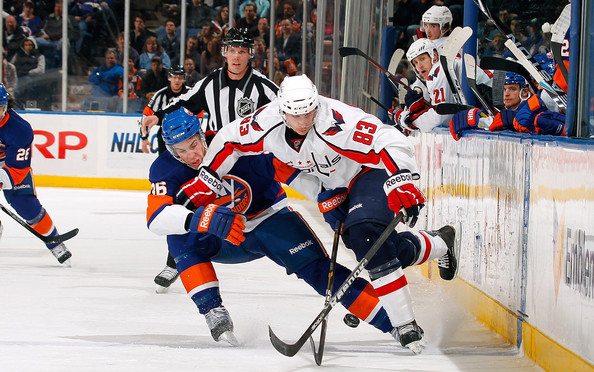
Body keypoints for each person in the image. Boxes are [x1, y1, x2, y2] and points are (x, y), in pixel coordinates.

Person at [181, 75, 459, 352]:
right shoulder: (265, 123)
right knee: (377, 247)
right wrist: (209, 175)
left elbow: (388, 139)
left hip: (368, 173)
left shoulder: (337, 120)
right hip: (334, 187)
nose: (303, 121)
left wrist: (401, 179)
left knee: (367, 237)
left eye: (309, 112)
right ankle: (439, 242)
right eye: (296, 115)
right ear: (282, 110)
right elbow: (229, 140)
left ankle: (405, 324)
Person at [146, 106, 402, 346]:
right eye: (180, 151)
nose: (192, 155)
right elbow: (156, 218)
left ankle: (395, 322)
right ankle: (212, 309)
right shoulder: (164, 169)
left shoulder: (229, 144)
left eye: (193, 145)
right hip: (223, 238)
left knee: (319, 271)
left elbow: (283, 169)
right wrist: (201, 219)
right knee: (178, 236)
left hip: (268, 219)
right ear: (170, 150)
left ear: (202, 134)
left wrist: (322, 196)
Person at [141, 28, 278, 290]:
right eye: (232, 51)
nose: (236, 57)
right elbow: (183, 104)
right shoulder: (210, 83)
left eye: (242, 52)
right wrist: (157, 116)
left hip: (247, 162)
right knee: (185, 205)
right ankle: (176, 263)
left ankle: (285, 250)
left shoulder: (264, 87)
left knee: (255, 209)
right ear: (225, 53)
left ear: (250, 55)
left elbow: (288, 112)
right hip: (213, 159)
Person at [0, 84, 73, 265]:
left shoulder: (19, 130)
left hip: (11, 167)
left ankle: (55, 242)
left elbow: (15, 170)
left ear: (5, 106)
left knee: (25, 204)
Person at [140, 65, 190, 154]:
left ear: (184, 79)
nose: (177, 80)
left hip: (186, 134)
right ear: (169, 78)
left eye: (180, 78)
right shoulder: (160, 95)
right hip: (165, 134)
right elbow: (147, 114)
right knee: (166, 162)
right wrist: (144, 138)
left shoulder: (190, 93)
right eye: (174, 77)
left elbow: (199, 114)